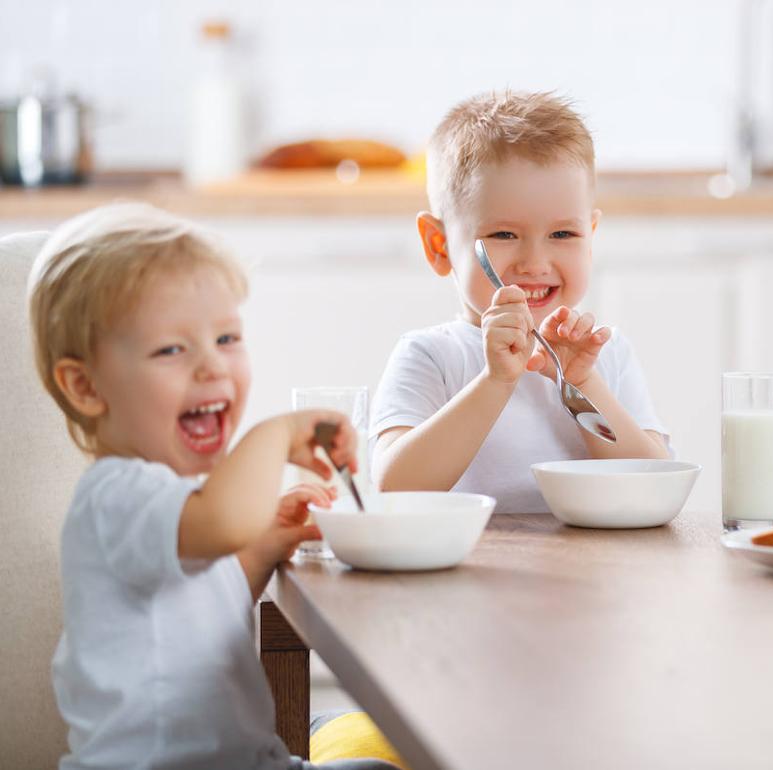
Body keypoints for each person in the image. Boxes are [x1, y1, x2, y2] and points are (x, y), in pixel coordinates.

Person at [28, 202, 403, 769]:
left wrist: (265, 543)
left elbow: (201, 596)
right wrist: (275, 435)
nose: (213, 368)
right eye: (172, 350)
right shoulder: (115, 495)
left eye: (227, 338)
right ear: (85, 386)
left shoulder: (180, 511)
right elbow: (223, 521)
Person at [372, 90, 669, 511]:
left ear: (591, 236)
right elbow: (396, 487)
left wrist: (583, 383)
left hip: (590, 572)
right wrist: (496, 381)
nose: (535, 263)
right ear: (439, 245)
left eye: (563, 234)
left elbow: (652, 482)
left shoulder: (609, 354)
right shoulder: (431, 355)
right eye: (504, 235)